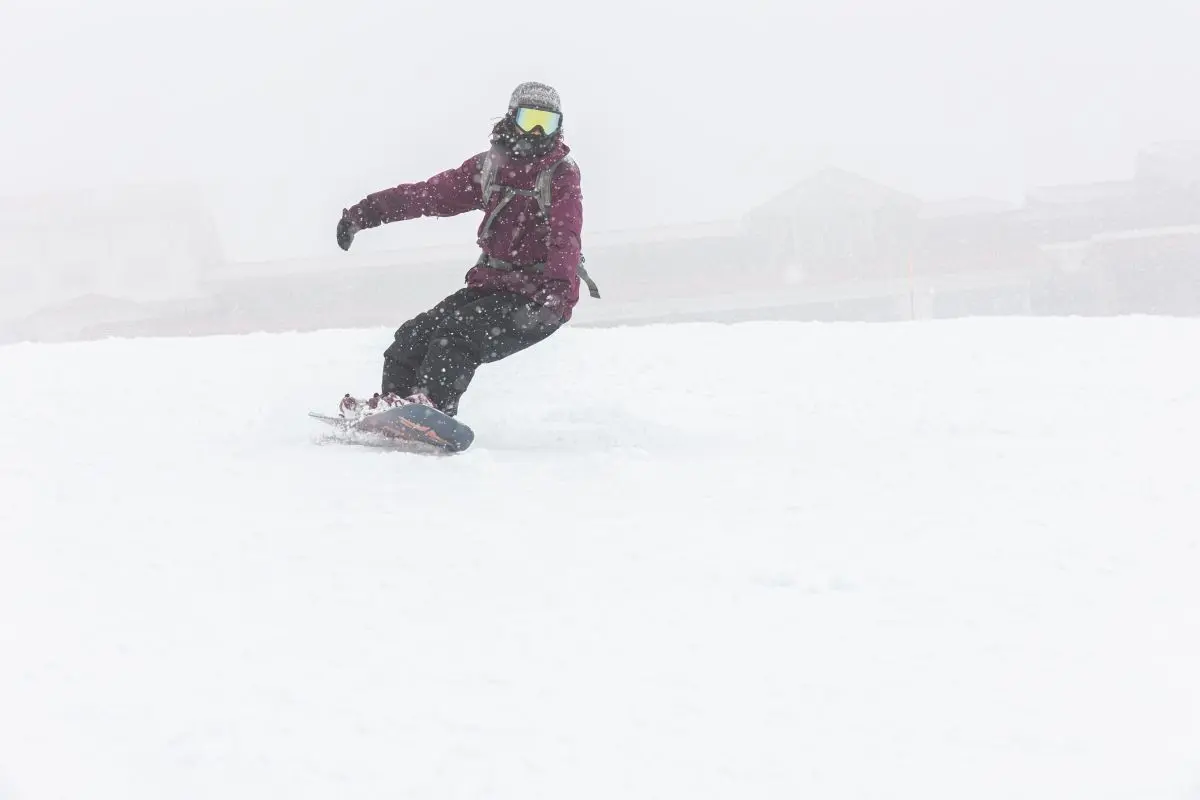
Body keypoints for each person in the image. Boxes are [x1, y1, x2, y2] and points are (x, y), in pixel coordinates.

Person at [334, 81, 597, 421]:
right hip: (492, 286)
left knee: (456, 335)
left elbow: (566, 236)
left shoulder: (561, 174)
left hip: (540, 296)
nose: (535, 131)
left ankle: (433, 411)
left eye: (545, 123)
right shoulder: (489, 168)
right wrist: (365, 213)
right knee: (413, 336)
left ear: (558, 127)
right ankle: (394, 407)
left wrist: (556, 293)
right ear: (511, 118)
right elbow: (428, 196)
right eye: (528, 118)